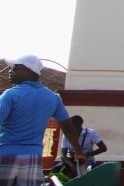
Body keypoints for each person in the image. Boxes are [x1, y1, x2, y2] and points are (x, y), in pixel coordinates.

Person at [0, 55, 82, 186]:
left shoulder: (10, 95)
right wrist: (78, 151)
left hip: (5, 155)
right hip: (33, 158)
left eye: (15, 68)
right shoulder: (53, 98)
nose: (10, 71)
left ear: (29, 71)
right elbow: (67, 126)